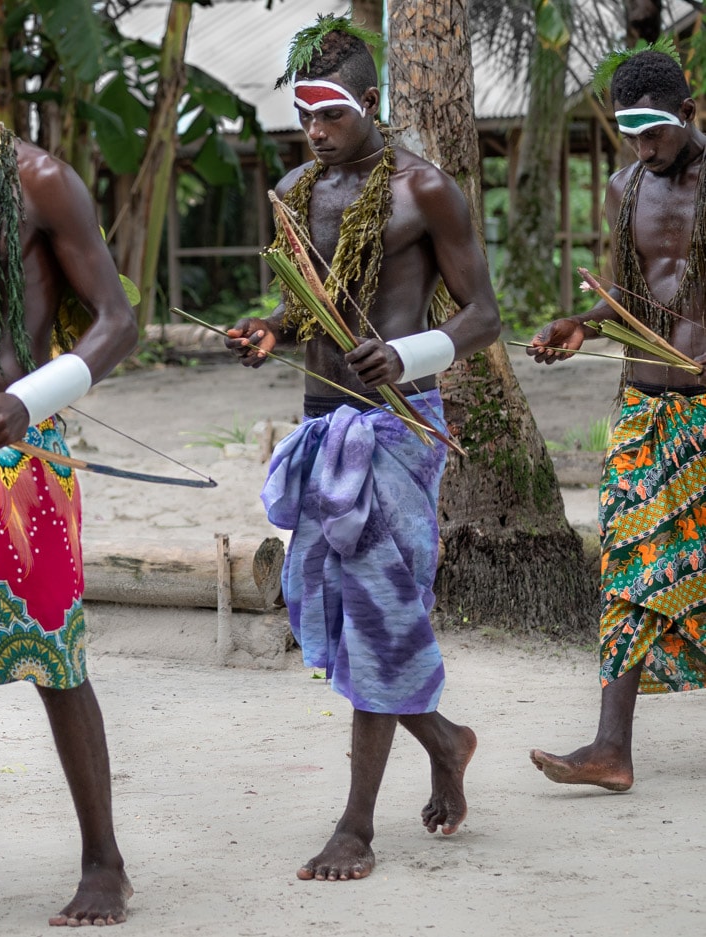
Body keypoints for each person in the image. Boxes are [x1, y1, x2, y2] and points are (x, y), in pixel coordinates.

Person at [225, 13, 501, 881]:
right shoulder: (298, 191)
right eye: (304, 112)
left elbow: (484, 314)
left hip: (396, 423)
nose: (315, 128)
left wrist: (410, 351)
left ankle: (356, 827)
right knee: (349, 619)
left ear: (370, 102)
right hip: (321, 418)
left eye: (331, 112)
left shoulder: (426, 190)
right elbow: (307, 305)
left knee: (380, 617)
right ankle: (446, 739)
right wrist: (269, 328)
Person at [0, 53, 138, 924]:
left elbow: (118, 321)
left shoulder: (38, 179)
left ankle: (104, 861)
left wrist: (28, 400)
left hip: (20, 452)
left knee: (56, 658)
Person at [527, 46, 706, 792]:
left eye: (654, 131)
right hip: (644, 406)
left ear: (687, 113)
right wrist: (583, 324)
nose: (642, 146)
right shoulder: (625, 186)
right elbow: (628, 296)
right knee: (627, 565)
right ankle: (611, 747)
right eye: (630, 132)